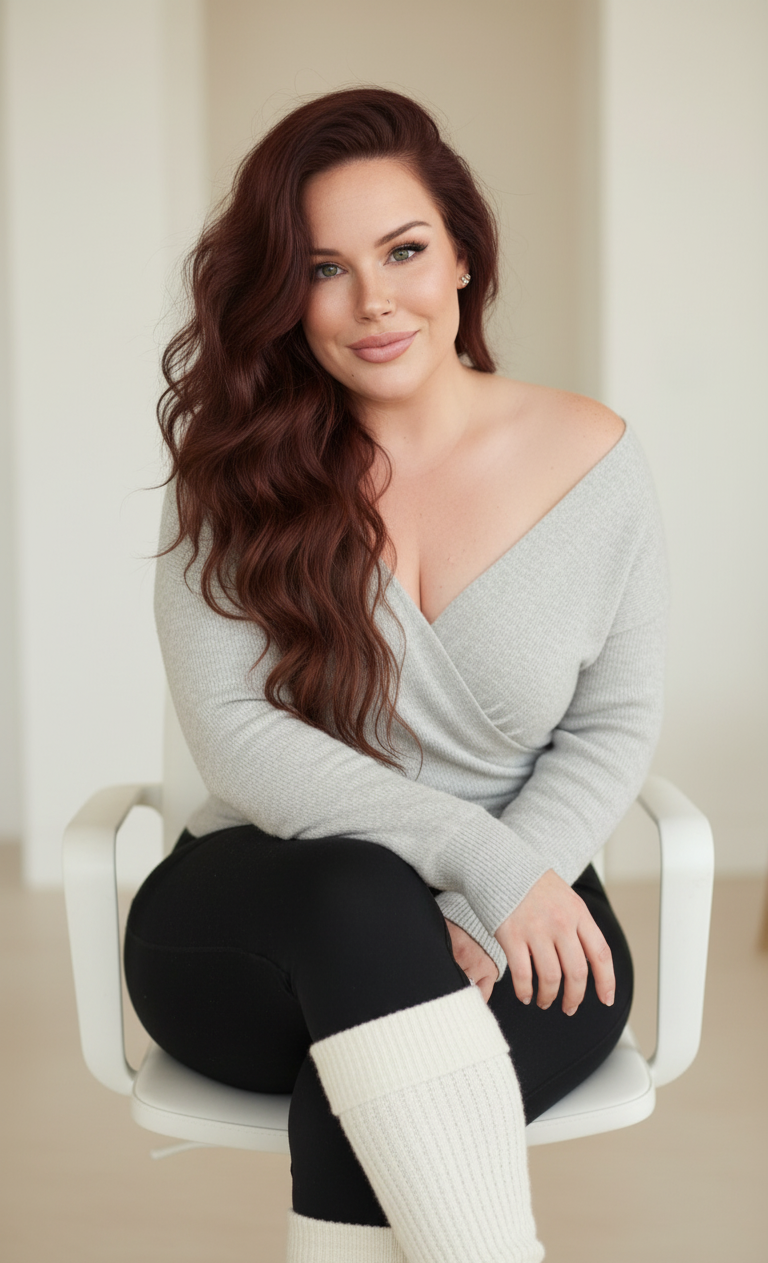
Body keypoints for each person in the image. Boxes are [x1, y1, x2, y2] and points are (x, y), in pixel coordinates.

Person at [124, 87, 667, 1263]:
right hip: (264, 916)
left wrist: (508, 886)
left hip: (523, 918)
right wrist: (479, 863)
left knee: (375, 1099)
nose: (375, 301)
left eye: (404, 250)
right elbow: (236, 736)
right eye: (324, 269)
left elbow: (616, 722)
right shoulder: (237, 474)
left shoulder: (593, 458)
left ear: (463, 256)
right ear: (283, 294)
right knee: (359, 899)